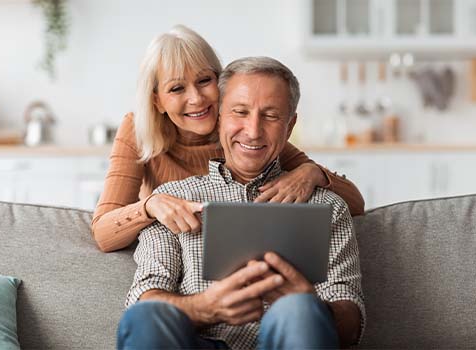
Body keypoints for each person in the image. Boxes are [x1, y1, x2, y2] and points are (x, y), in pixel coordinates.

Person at [118, 57, 365, 349]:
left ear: (290, 125)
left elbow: (350, 324)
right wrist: (205, 307)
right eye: (240, 112)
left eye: (271, 116)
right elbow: (145, 296)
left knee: (297, 310)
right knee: (146, 316)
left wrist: (310, 305)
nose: (253, 130)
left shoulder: (327, 206)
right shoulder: (174, 200)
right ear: (219, 116)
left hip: (286, 340)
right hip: (199, 342)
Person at [91, 25, 364, 253]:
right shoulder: (139, 129)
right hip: (171, 257)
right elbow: (103, 234)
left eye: (204, 80)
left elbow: (356, 204)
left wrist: (312, 173)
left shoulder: (243, 133)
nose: (196, 99)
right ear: (157, 100)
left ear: (220, 82)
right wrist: (150, 205)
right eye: (176, 88)